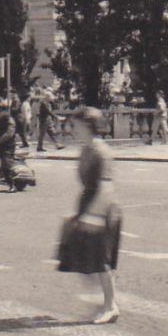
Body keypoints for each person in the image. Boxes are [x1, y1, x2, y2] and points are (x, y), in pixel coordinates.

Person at [57, 107, 121, 324]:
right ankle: (104, 301)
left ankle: (110, 305)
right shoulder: (86, 149)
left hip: (101, 210)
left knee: (101, 261)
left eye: (75, 126)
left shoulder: (101, 152)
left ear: (87, 126)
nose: (72, 130)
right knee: (83, 258)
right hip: (89, 207)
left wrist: (92, 216)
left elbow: (106, 188)